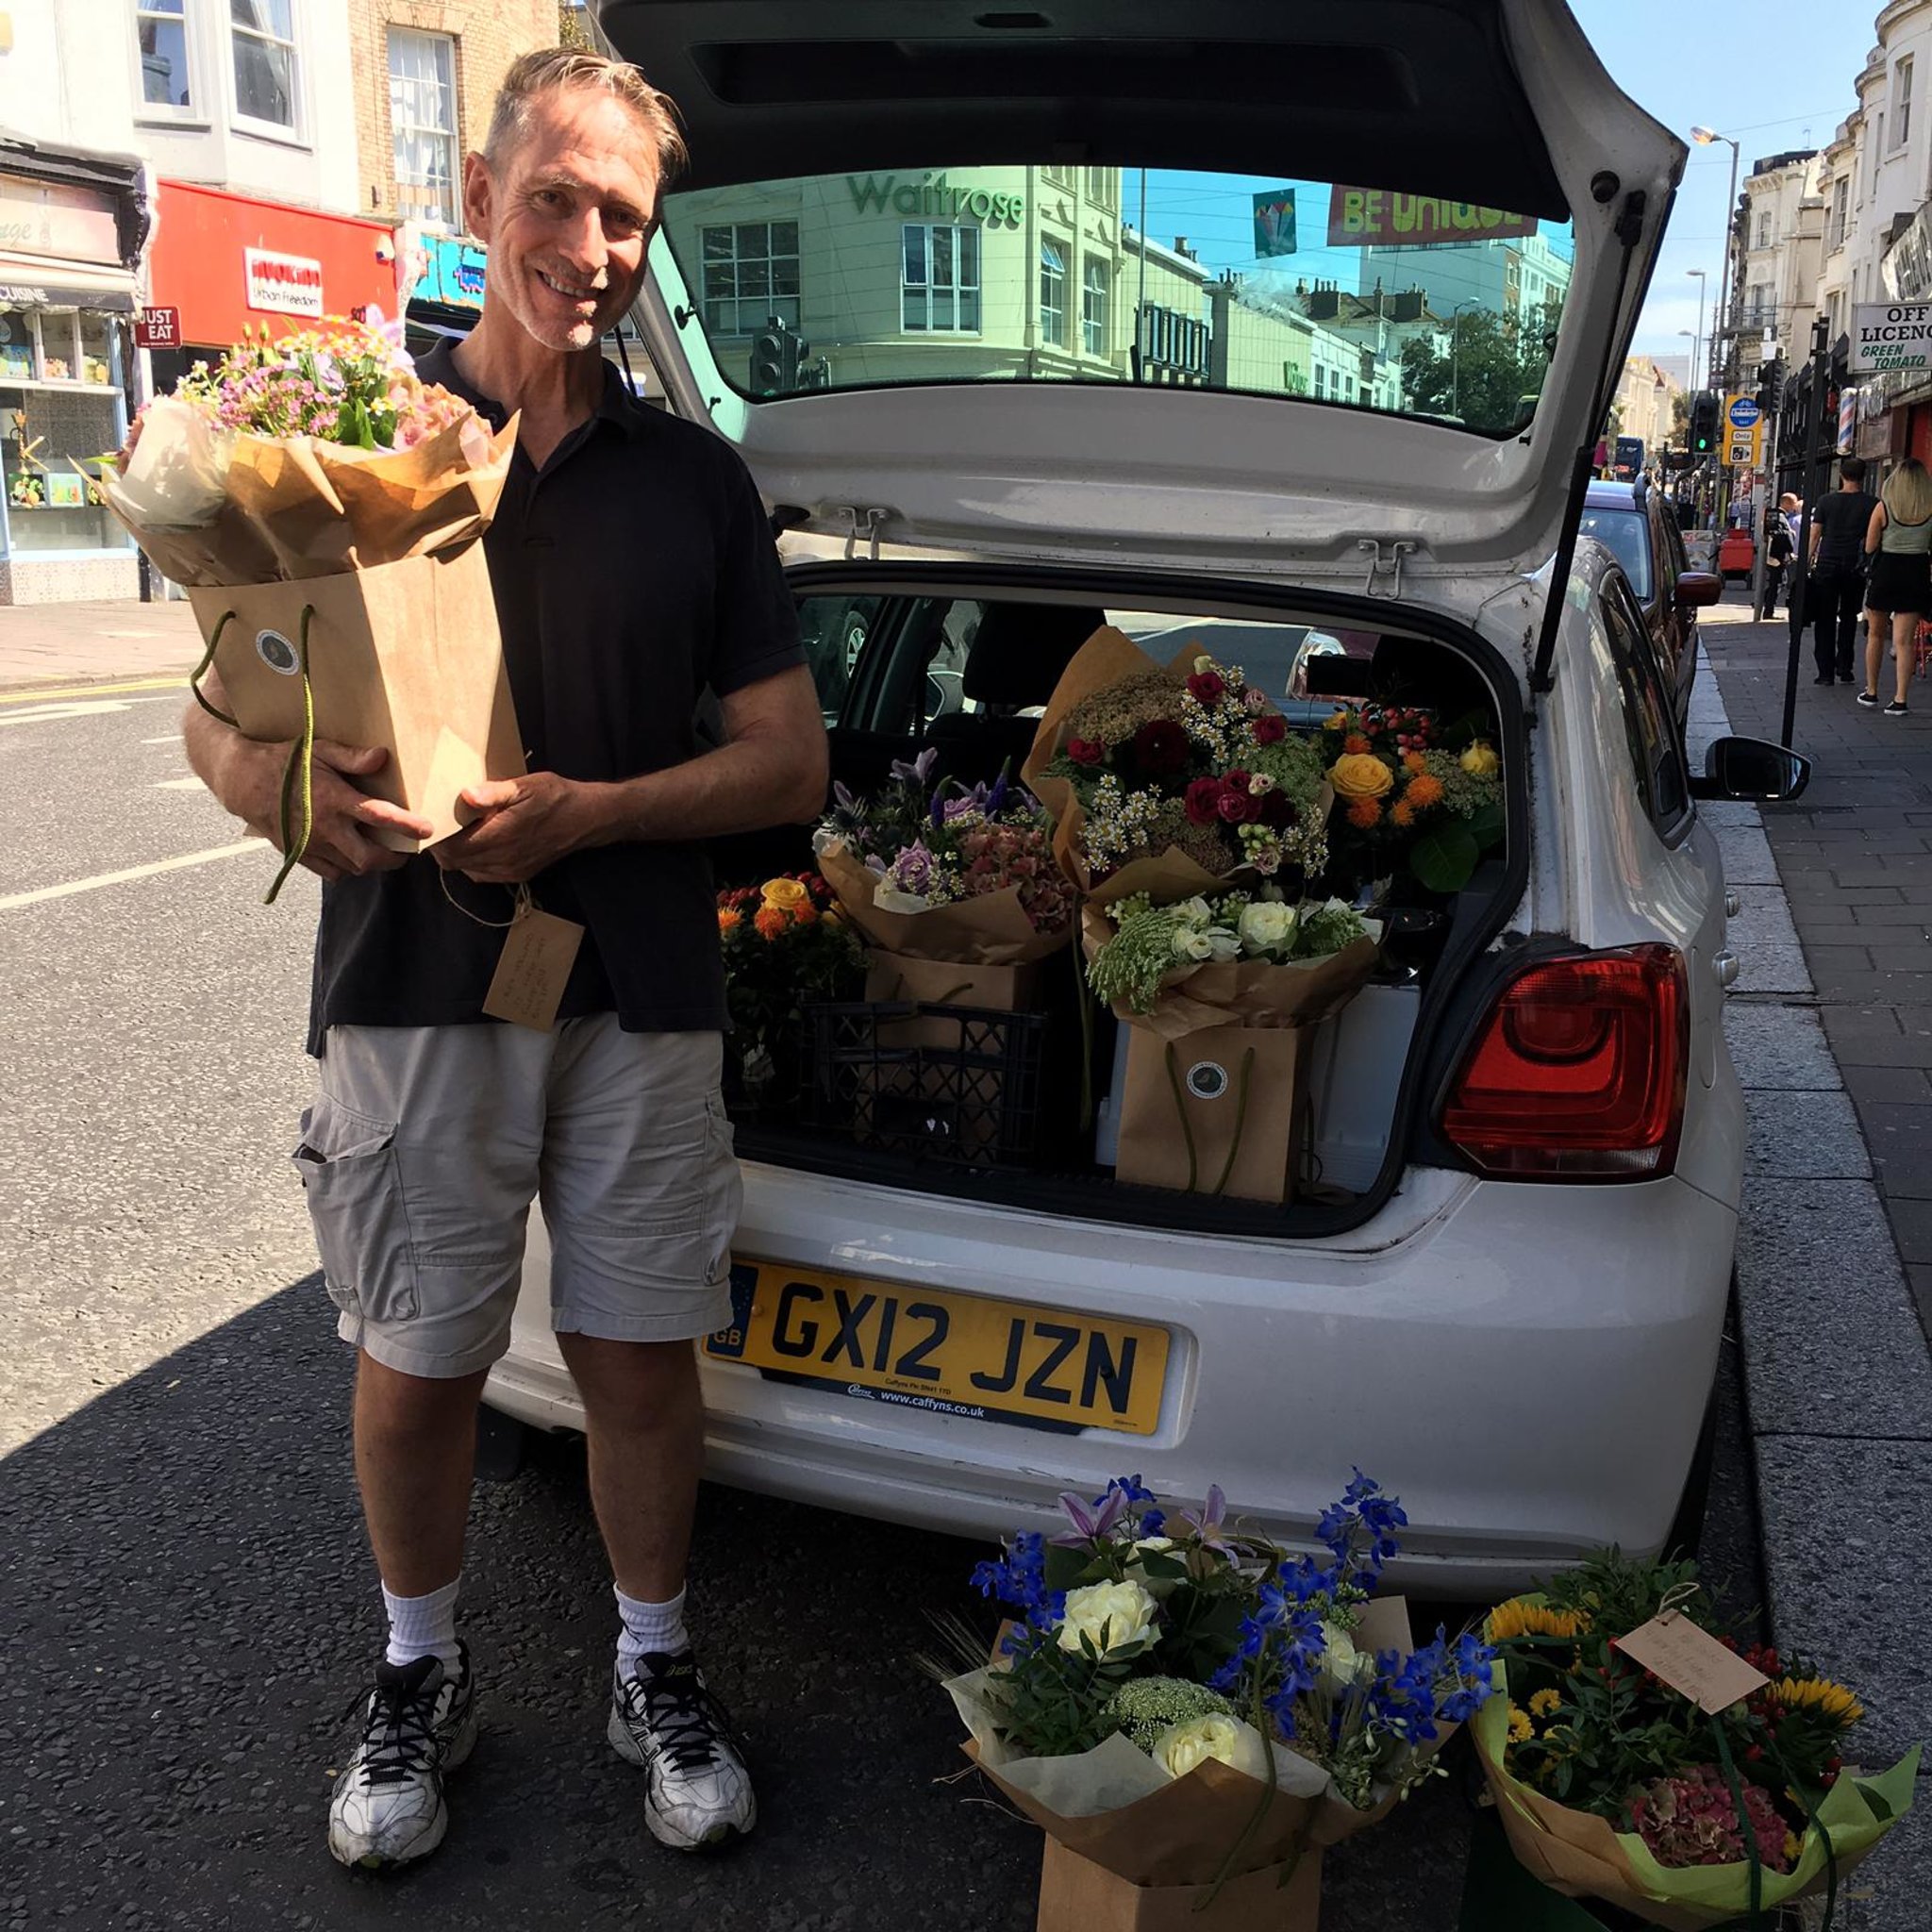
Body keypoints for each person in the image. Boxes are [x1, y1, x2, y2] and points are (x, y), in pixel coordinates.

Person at [180, 48, 827, 1870]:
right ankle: (419, 1667)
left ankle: (652, 1658)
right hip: (409, 981)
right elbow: (219, 702)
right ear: (479, 200)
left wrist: (593, 813)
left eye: (624, 215)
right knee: (416, 1360)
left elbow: (789, 763)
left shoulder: (694, 481)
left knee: (638, 1356)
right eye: (556, 198)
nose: (590, 245)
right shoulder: (350, 451)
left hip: (641, 989)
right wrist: (261, 787)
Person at [1857, 457, 1932, 715]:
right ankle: (1900, 699)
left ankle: (1871, 691)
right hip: (1916, 573)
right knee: (1905, 641)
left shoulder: (1884, 507)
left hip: (1886, 571)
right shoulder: (1930, 509)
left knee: (1876, 634)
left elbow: (1870, 546)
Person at [1810, 456, 1879, 683]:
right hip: (1855, 567)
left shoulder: (1825, 501)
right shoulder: (1872, 504)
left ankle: (1825, 672)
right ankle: (1845, 667)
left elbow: (1815, 534)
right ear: (1864, 476)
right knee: (1849, 617)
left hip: (1827, 564)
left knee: (1825, 618)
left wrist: (1806, 562)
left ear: (1841, 475)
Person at [1758, 492, 1797, 621]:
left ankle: (1764, 603)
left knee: (1778, 581)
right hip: (1776, 555)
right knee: (1778, 582)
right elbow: (1781, 535)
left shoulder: (1777, 516)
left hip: (1775, 554)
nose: (1794, 507)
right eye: (1793, 504)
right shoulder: (1780, 517)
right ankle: (1768, 609)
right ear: (1787, 503)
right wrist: (1790, 535)